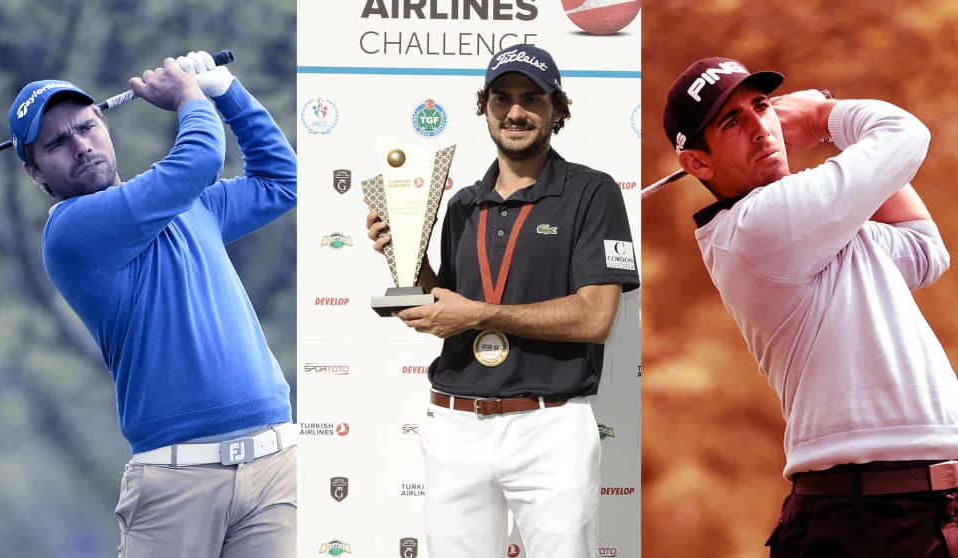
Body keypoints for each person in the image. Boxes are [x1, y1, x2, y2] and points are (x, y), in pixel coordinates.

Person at [662, 56, 958, 557]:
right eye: (732, 122)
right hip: (863, 522)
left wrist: (841, 143)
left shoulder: (812, 229)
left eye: (762, 108)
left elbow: (925, 250)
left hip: (935, 509)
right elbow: (904, 135)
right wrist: (823, 116)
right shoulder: (759, 227)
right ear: (698, 163)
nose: (760, 128)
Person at [9, 51, 297, 557]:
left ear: (105, 123)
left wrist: (225, 88)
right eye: (57, 142)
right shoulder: (70, 232)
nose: (81, 146)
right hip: (174, 480)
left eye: (87, 125)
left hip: (272, 468)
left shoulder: (191, 206)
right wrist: (190, 96)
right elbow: (200, 161)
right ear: (36, 173)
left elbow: (281, 181)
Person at [366, 44, 640, 558]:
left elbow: (596, 317)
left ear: (558, 108)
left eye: (531, 98)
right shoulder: (461, 203)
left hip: (549, 425)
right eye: (501, 99)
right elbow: (448, 301)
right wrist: (404, 256)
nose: (514, 112)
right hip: (454, 422)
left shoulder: (593, 192)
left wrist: (479, 315)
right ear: (484, 107)